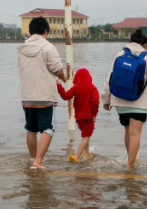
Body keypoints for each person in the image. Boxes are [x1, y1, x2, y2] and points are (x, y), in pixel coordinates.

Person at [103, 29, 147, 170]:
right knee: (135, 134)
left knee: (128, 132)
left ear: (131, 42)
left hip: (120, 101)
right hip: (139, 102)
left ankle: (130, 159)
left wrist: (106, 99)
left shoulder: (120, 54)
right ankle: (130, 166)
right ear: (145, 44)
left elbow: (110, 78)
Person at [18, 16, 68, 169]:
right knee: (48, 128)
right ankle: (38, 161)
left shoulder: (22, 48)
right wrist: (64, 78)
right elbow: (57, 70)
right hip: (45, 96)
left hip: (26, 96)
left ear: (31, 31)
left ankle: (33, 158)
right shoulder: (48, 47)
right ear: (45, 31)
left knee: (31, 128)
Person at [58, 68, 99, 162]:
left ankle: (87, 153)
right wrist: (94, 114)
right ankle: (76, 156)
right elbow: (95, 101)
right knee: (85, 136)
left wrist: (59, 86)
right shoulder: (92, 88)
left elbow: (65, 96)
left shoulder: (76, 87)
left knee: (86, 134)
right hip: (88, 116)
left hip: (79, 117)